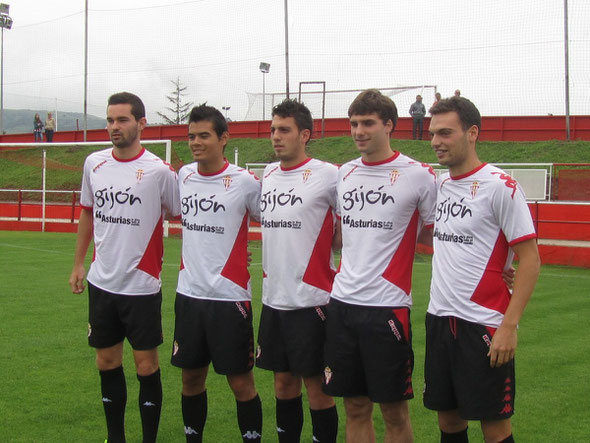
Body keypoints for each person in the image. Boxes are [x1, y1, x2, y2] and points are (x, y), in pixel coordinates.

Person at [424, 96, 540, 443]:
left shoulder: (500, 186)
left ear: (472, 132)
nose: (435, 142)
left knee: (494, 426)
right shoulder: (440, 185)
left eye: (445, 133)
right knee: (449, 421)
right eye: (432, 133)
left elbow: (531, 259)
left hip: (484, 323)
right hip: (439, 319)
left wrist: (509, 325)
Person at [323, 89, 437, 442]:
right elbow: (338, 235)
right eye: (354, 123)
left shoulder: (419, 176)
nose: (358, 131)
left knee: (394, 412)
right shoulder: (344, 173)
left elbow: (440, 237)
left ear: (389, 125)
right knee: (355, 407)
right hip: (342, 305)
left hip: (387, 308)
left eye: (368, 123)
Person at [69, 92, 180, 443]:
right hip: (102, 282)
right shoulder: (94, 164)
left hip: (141, 286)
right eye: (110, 120)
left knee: (146, 366)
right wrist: (77, 264)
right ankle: (115, 436)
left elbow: (181, 215)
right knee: (106, 363)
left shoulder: (159, 172)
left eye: (122, 120)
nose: (115, 127)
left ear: (141, 123)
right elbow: (88, 211)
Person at [171, 104, 263, 443]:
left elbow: (275, 223)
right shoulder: (184, 176)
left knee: (241, 383)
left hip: (229, 299)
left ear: (223, 139)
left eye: (204, 135)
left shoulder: (244, 182)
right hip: (189, 295)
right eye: (191, 136)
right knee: (191, 379)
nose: (196, 142)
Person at [256, 99, 339, 443]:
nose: (276, 136)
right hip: (274, 299)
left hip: (312, 300)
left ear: (305, 134)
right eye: (273, 129)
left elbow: (351, 227)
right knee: (283, 383)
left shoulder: (329, 174)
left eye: (284, 130)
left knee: (318, 388)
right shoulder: (269, 173)